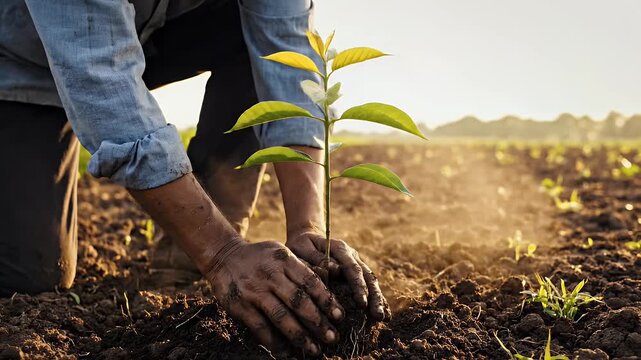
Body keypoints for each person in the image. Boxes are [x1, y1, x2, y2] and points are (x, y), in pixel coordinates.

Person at [0, 0, 390, 355]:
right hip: (22, 65)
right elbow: (103, 82)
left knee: (248, 32)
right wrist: (221, 253)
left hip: (151, 35)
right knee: (30, 276)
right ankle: (212, 247)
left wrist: (308, 228)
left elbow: (287, 53)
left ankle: (189, 249)